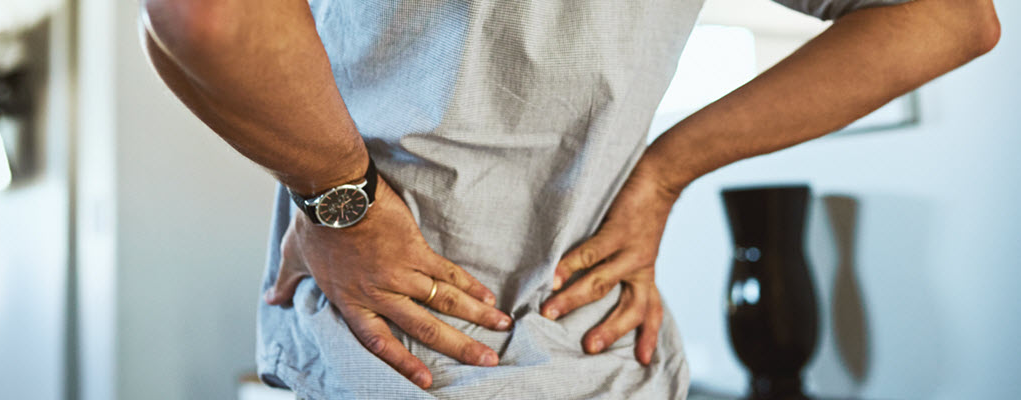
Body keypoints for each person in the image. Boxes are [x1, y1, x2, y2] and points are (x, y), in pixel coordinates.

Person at [139, 0, 999, 398]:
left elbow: (199, 19)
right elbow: (955, 16)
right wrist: (668, 169)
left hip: (388, 354)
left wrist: (340, 201)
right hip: (602, 355)